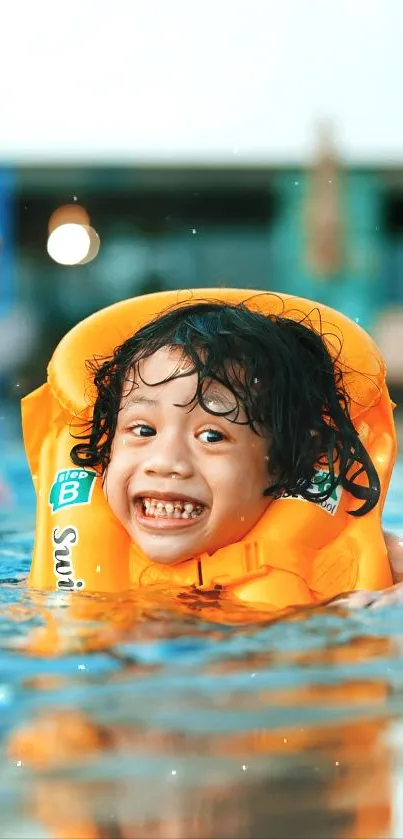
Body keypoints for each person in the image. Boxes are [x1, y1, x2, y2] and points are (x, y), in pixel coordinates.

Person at [22, 290, 399, 612]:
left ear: (287, 462)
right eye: (143, 429)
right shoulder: (60, 572)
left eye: (212, 436)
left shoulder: (365, 561)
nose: (166, 462)